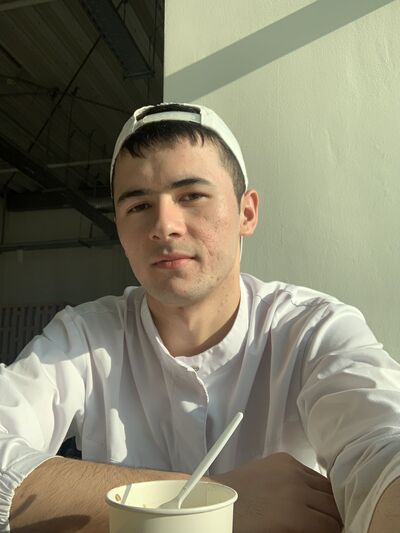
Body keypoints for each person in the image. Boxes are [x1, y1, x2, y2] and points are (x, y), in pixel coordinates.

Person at [1, 102, 400, 533]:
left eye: (191, 196)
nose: (165, 226)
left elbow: (381, 445)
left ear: (247, 213)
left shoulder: (312, 330)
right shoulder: (83, 336)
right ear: (120, 229)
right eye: (139, 206)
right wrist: (214, 501)